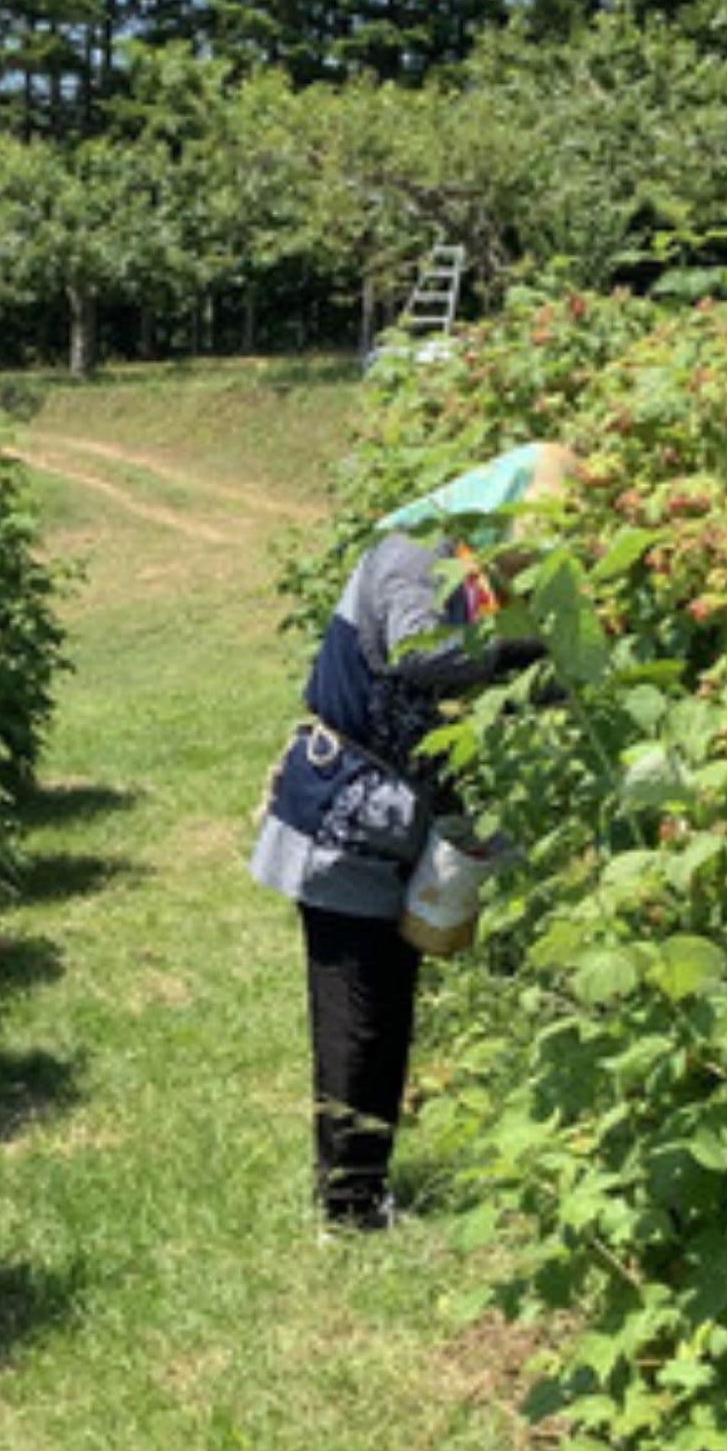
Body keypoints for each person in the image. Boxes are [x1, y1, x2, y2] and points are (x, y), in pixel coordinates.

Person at [247, 447, 558, 1230]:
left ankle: (362, 1186)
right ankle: (347, 1206)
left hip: (402, 823)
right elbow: (421, 656)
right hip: (343, 813)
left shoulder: (480, 581)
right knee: (358, 1007)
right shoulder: (411, 553)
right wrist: (530, 647)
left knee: (387, 1005)